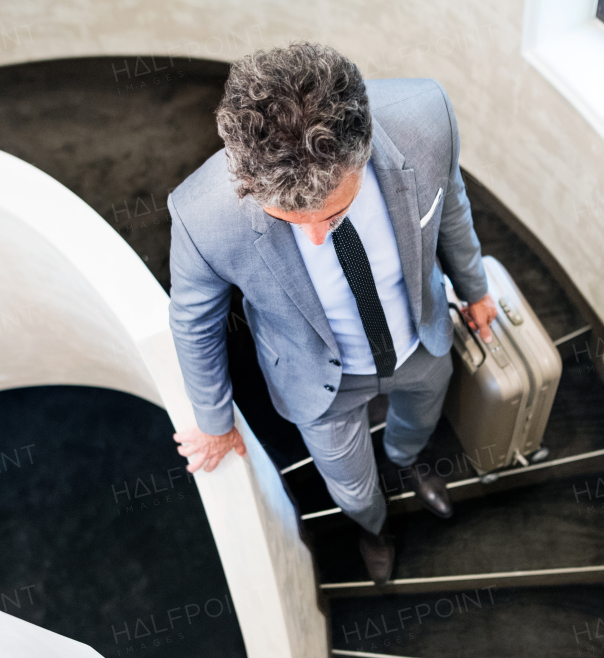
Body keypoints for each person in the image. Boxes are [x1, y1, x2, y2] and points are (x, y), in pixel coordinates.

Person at [167, 42, 496, 584]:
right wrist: (215, 422)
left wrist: (476, 289)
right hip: (317, 380)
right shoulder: (203, 215)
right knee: (351, 486)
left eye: (336, 211)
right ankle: (374, 528)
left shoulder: (426, 117)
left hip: (421, 336)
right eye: (289, 219)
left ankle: (408, 458)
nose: (317, 236)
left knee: (421, 417)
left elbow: (452, 203)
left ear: (362, 150)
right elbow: (193, 321)